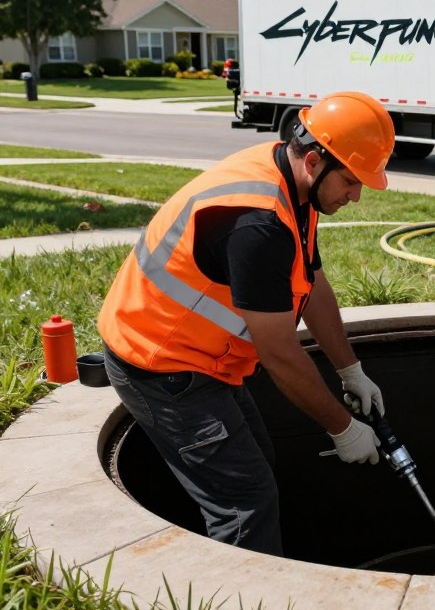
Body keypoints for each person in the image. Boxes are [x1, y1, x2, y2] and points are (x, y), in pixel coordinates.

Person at [98, 91, 395, 557]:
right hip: (160, 366)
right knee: (245, 504)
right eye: (353, 181)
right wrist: (342, 428)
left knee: (259, 465)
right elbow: (279, 353)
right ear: (315, 160)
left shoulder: (293, 183)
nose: (356, 195)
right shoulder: (256, 225)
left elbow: (310, 279)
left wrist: (350, 370)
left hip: (203, 360)